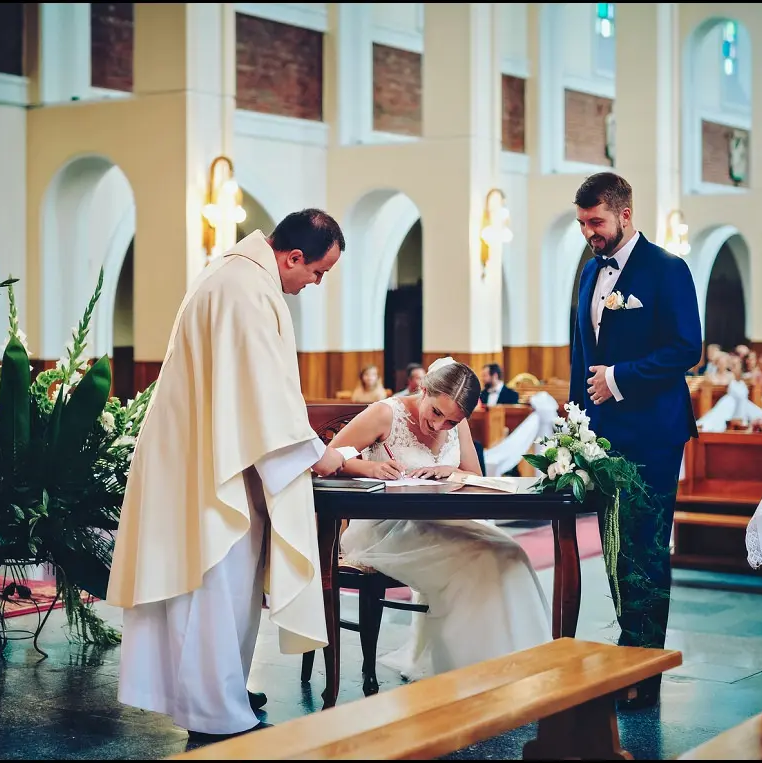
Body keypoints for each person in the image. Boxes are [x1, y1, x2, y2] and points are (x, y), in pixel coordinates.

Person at [106, 209, 351, 741]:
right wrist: (319, 454)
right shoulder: (246, 289)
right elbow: (263, 394)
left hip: (204, 455)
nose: (315, 283)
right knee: (214, 588)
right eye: (317, 272)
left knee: (217, 590)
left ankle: (221, 693)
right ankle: (215, 711)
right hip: (211, 468)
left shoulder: (234, 273)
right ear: (293, 257)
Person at [329, 358, 552, 682]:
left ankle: (517, 668)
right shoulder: (385, 413)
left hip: (442, 522)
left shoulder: (456, 421)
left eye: (451, 422)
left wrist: (452, 470)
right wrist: (369, 467)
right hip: (386, 527)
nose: (438, 426)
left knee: (511, 553)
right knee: (480, 559)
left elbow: (475, 476)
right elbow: (327, 458)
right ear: (424, 389)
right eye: (435, 412)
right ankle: (467, 675)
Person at [569, 172, 702, 710]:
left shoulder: (667, 269)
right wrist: (576, 425)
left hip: (653, 433)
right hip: (603, 437)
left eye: (596, 221)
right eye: (582, 223)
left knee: (645, 548)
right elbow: (580, 354)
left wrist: (619, 377)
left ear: (624, 214)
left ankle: (643, 671)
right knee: (615, 546)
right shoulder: (588, 271)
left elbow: (686, 347)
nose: (589, 232)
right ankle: (631, 651)